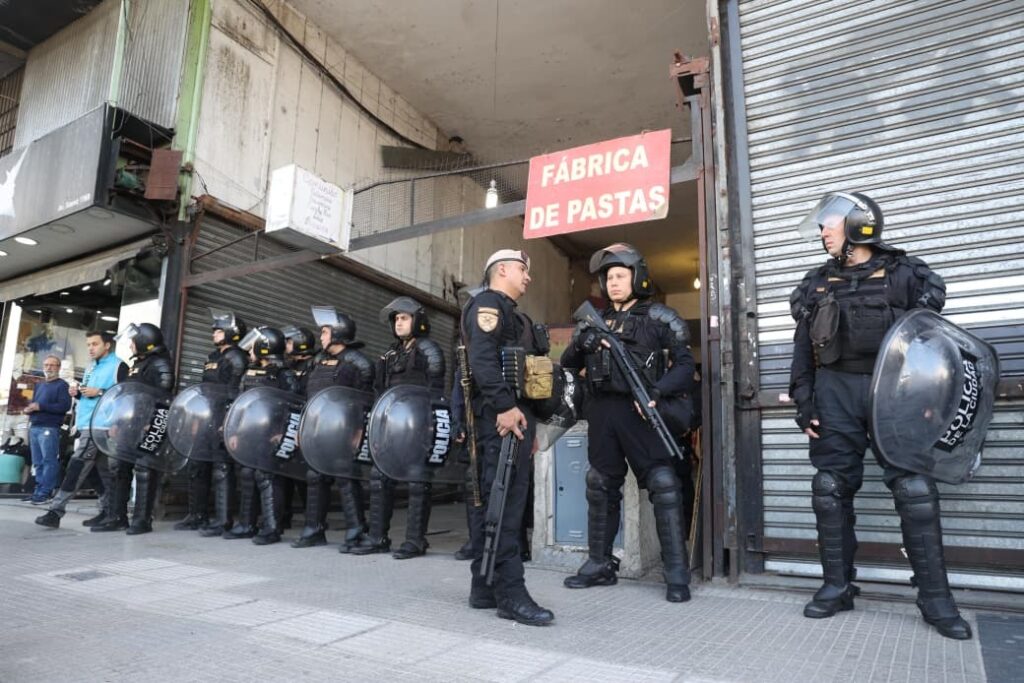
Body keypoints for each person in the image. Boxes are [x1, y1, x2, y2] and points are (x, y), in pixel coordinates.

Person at [788, 191, 969, 640]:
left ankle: (935, 598)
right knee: (829, 487)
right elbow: (802, 350)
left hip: (896, 393)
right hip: (835, 392)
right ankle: (836, 586)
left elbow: (935, 341)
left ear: (857, 226)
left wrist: (934, 399)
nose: (822, 230)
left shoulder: (906, 275)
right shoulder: (815, 283)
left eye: (829, 223)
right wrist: (804, 402)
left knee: (914, 489)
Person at [561, 243, 696, 603]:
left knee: (664, 484)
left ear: (637, 278)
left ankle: (676, 571)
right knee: (599, 484)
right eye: (609, 277)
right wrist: (584, 342)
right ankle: (600, 564)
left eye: (621, 276)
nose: (614, 282)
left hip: (641, 410)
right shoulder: (594, 321)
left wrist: (657, 392)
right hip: (603, 412)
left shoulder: (660, 318)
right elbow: (568, 363)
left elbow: (685, 365)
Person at [463, 249, 554, 626]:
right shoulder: (486, 305)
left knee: (500, 504)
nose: (528, 276)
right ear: (502, 269)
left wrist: (534, 423)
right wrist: (503, 405)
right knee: (506, 506)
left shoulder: (517, 316)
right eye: (523, 269)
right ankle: (510, 594)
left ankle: (483, 586)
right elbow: (482, 359)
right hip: (501, 420)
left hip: (516, 421)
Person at [350, 297, 445, 560]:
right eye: (396, 319)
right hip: (390, 427)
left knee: (418, 482)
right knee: (379, 479)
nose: (399, 322)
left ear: (418, 321)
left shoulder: (430, 351)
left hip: (418, 428)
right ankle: (377, 537)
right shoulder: (389, 354)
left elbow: (437, 394)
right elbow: (379, 392)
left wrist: (433, 428)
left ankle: (415, 541)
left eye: (404, 317)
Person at [291, 308, 374, 552]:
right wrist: (301, 427)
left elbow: (366, 402)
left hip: (344, 431)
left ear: (338, 333)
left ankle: (356, 531)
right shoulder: (317, 360)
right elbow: (309, 397)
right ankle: (314, 529)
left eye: (325, 331)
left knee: (346, 478)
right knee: (315, 477)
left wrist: (360, 433)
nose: (321, 336)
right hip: (316, 430)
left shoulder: (359, 363)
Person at [35, 332, 128, 529]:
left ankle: (55, 511)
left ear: (107, 345)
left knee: (76, 467)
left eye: (95, 344)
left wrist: (100, 393)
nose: (90, 348)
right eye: (88, 345)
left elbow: (126, 395)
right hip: (87, 424)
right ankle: (107, 510)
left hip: (102, 425)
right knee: (99, 471)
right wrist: (77, 393)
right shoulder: (91, 366)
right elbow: (88, 395)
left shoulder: (119, 365)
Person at [92, 323, 174, 535]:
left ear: (145, 342)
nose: (130, 345)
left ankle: (142, 520)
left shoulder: (161, 364)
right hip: (129, 424)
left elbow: (164, 397)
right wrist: (117, 423)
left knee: (145, 470)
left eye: (133, 341)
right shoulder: (136, 364)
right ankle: (117, 516)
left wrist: (153, 423)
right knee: (119, 467)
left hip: (148, 423)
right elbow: (127, 396)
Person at [177, 310, 248, 533]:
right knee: (197, 465)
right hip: (206, 417)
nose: (214, 333)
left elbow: (237, 393)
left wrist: (228, 421)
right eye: (215, 330)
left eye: (219, 330)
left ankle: (223, 519)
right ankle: (197, 515)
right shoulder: (212, 357)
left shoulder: (237, 357)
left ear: (232, 332)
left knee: (222, 469)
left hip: (223, 418)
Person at [234, 326, 301, 545]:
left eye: (254, 344)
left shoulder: (285, 375)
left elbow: (294, 406)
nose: (249, 350)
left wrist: (283, 432)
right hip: (249, 435)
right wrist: (233, 430)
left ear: (265, 346)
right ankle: (246, 524)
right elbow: (240, 406)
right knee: (247, 475)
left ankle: (272, 527)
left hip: (272, 436)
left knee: (268, 477)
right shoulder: (249, 373)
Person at [280, 324, 317, 529]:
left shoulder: (313, 367)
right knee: (284, 473)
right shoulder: (286, 367)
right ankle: (283, 516)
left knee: (305, 477)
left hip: (304, 426)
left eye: (289, 341)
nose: (285, 345)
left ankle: (311, 520)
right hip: (286, 425)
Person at [22, 355, 71, 504]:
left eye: (52, 365)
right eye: (46, 364)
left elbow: (64, 407)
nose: (48, 367)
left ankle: (45, 492)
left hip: (49, 427)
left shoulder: (62, 385)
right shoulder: (39, 384)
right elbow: (35, 404)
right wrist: (29, 409)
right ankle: (38, 491)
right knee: (37, 462)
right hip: (35, 425)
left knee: (49, 460)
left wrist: (41, 406)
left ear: (58, 368)